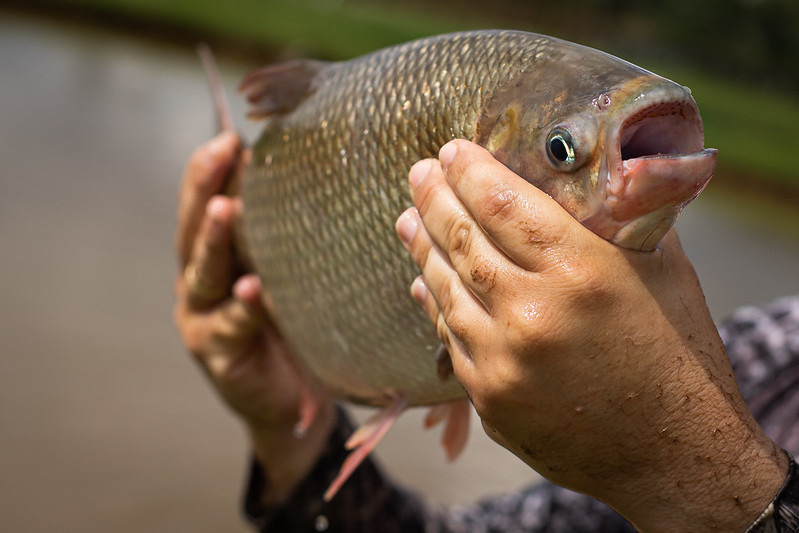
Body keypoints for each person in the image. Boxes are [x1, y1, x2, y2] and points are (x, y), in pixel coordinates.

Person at [174, 132, 799, 532]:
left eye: (562, 151)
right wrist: (288, 429)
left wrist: (683, 468)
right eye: (563, 150)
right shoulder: (771, 353)